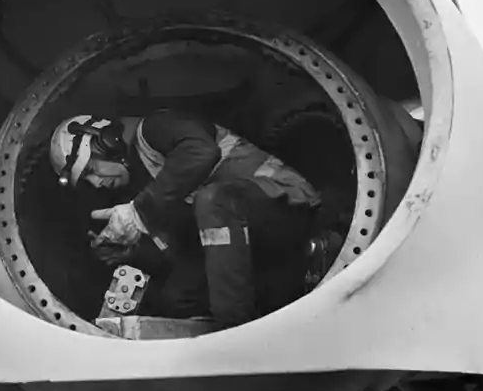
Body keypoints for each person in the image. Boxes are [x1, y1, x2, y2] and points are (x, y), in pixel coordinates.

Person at [48, 110, 323, 329]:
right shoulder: (149, 187)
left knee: (215, 200)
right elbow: (178, 246)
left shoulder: (156, 128)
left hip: (288, 206)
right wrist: (132, 252)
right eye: (87, 181)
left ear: (106, 143)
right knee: (178, 298)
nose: (96, 183)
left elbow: (202, 151)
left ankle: (239, 336)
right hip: (244, 242)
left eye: (91, 169)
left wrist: (140, 212)